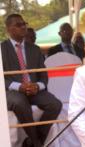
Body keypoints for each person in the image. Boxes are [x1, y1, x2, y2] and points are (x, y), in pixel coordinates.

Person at [1, 14, 62, 147]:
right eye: (19, 25)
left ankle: (32, 142)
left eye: (24, 23)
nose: (23, 27)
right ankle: (36, 143)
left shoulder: (34, 49)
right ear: (9, 29)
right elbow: (1, 78)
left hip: (34, 90)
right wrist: (19, 87)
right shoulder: (2, 49)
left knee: (55, 104)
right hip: (12, 91)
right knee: (19, 102)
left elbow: (44, 76)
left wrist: (38, 86)